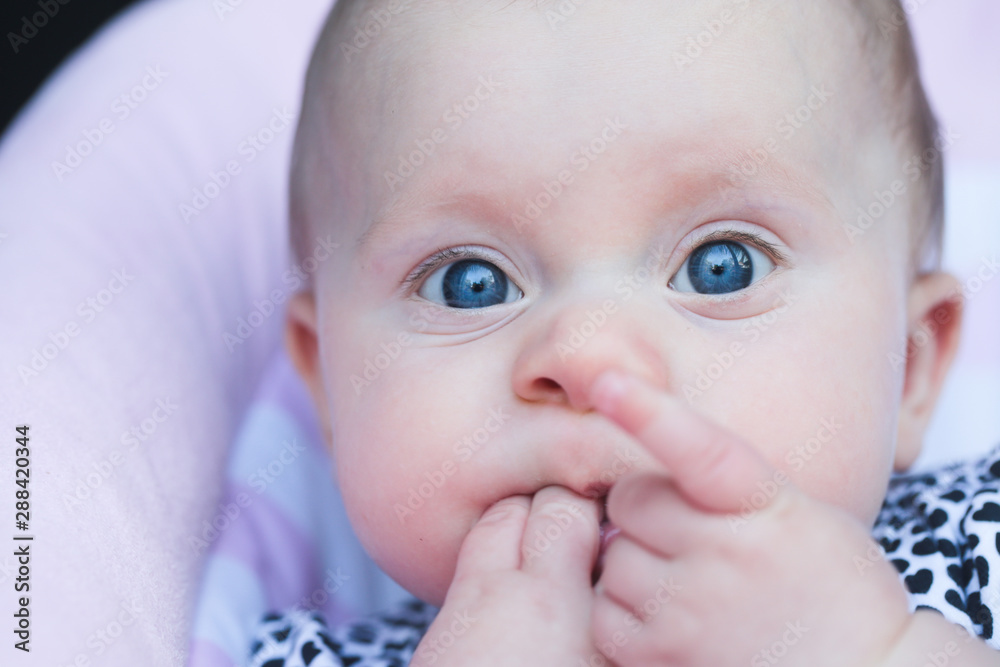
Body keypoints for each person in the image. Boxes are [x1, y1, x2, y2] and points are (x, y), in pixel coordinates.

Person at [248, 0, 1000, 664]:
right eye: (468, 282)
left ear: (910, 366)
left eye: (721, 267)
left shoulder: (976, 547)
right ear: (330, 388)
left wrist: (868, 651)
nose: (585, 355)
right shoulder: (303, 654)